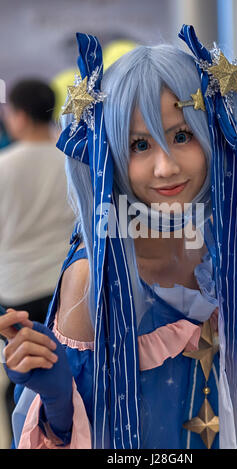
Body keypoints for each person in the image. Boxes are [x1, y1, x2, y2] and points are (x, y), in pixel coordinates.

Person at [0, 26, 237, 449]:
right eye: (140, 145)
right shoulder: (94, 279)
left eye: (182, 136)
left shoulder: (214, 243)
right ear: (110, 154)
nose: (166, 168)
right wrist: (57, 401)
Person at [0, 79, 75, 432]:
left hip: (17, 290)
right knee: (68, 370)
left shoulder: (4, 165)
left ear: (18, 115)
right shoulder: (74, 161)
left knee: (23, 376)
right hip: (68, 286)